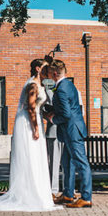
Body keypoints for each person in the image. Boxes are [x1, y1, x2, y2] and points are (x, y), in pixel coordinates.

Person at [0, 59, 61, 211]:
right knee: (31, 157)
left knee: (38, 158)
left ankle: (38, 193)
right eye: (46, 69)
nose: (48, 72)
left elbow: (39, 108)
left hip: (38, 121)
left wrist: (48, 116)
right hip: (29, 124)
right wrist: (35, 128)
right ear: (37, 68)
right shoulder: (32, 85)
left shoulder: (40, 85)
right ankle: (29, 194)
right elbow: (30, 108)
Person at [44, 60, 93, 208]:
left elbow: (65, 114)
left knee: (81, 163)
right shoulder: (69, 85)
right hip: (69, 130)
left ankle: (86, 197)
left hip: (72, 130)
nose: (48, 78)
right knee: (67, 163)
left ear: (54, 73)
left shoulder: (61, 89)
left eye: (49, 75)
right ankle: (67, 194)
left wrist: (52, 117)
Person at [41, 62, 64, 197]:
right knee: (53, 164)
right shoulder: (48, 87)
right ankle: (53, 190)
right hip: (53, 129)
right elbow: (44, 106)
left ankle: (68, 190)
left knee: (67, 163)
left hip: (66, 130)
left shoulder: (69, 87)